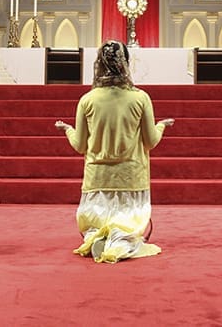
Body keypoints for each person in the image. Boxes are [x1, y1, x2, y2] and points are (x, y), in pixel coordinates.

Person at [54, 40, 174, 263]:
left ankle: (95, 237)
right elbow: (151, 141)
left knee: (94, 223)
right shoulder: (140, 98)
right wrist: (161, 126)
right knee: (128, 228)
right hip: (131, 175)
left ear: (98, 64)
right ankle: (119, 243)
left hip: (97, 176)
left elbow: (80, 146)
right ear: (126, 63)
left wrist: (68, 130)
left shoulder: (87, 100)